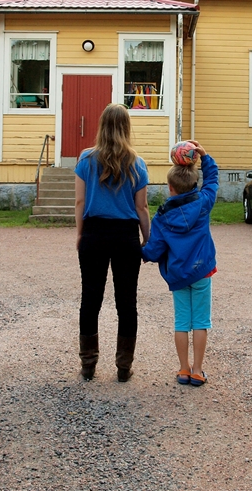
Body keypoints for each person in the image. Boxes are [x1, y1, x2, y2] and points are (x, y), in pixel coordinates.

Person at [74, 103, 151, 382]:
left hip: (94, 233)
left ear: (101, 125)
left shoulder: (85, 159)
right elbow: (142, 208)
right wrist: (147, 241)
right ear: (126, 127)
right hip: (126, 236)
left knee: (90, 299)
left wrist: (81, 234)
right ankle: (123, 367)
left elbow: (80, 202)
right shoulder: (137, 163)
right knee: (126, 303)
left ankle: (88, 364)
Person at [141, 141, 218, 387]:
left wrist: (139, 251)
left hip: (178, 276)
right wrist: (205, 158)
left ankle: (183, 368)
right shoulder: (204, 202)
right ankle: (198, 369)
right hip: (202, 272)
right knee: (201, 322)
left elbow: (154, 250)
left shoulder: (162, 216)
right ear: (194, 184)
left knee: (182, 322)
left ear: (170, 188)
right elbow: (213, 181)